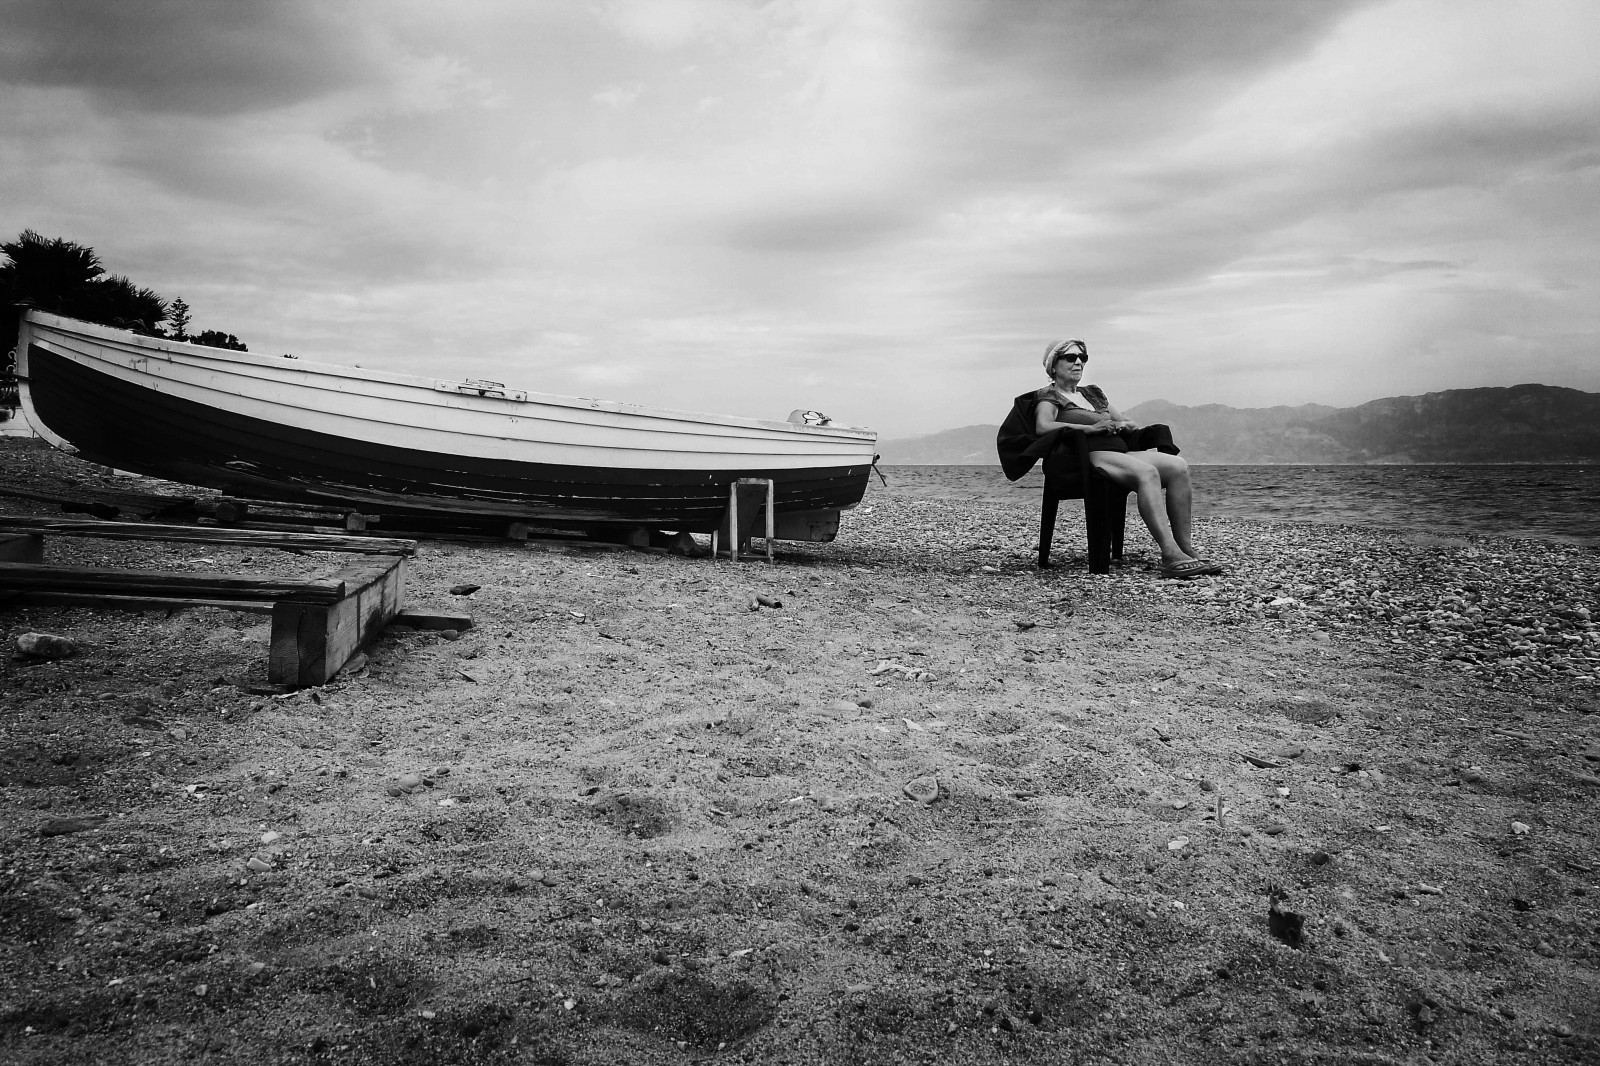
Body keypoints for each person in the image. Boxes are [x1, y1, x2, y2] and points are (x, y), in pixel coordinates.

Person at [1032, 338, 1220, 578]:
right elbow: (1043, 426)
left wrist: (1123, 425)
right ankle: (1170, 553)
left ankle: (1185, 548)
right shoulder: (1049, 396)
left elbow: (1126, 421)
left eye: (1082, 357)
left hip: (1118, 451)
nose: (1078, 362)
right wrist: (1090, 429)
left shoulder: (1092, 394)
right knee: (1147, 473)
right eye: (1070, 357)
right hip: (1087, 455)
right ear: (1053, 365)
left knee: (1178, 466)